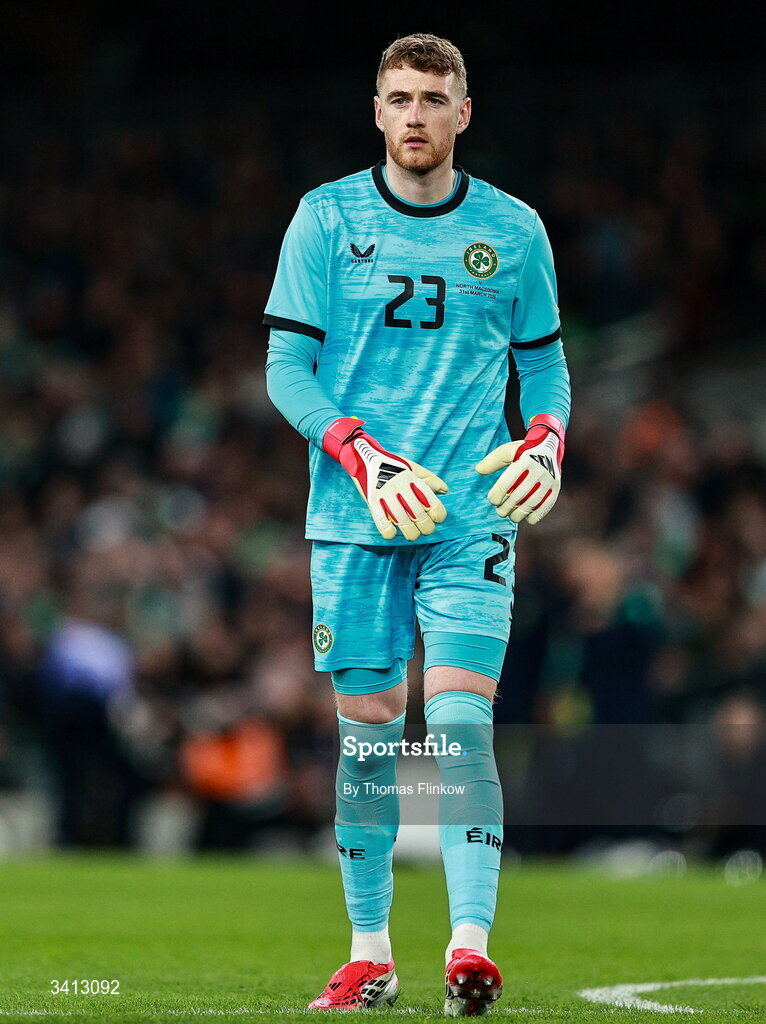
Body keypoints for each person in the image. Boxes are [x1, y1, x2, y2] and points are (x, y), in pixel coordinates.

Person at [264, 33, 570, 1016]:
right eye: (398, 98)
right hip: (355, 517)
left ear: (463, 112)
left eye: (432, 99)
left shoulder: (514, 231)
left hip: (467, 515)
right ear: (376, 108)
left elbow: (547, 366)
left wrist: (549, 436)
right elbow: (285, 371)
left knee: (459, 724)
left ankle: (468, 948)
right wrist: (359, 452)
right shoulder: (324, 219)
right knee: (366, 745)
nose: (414, 115)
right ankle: (370, 955)